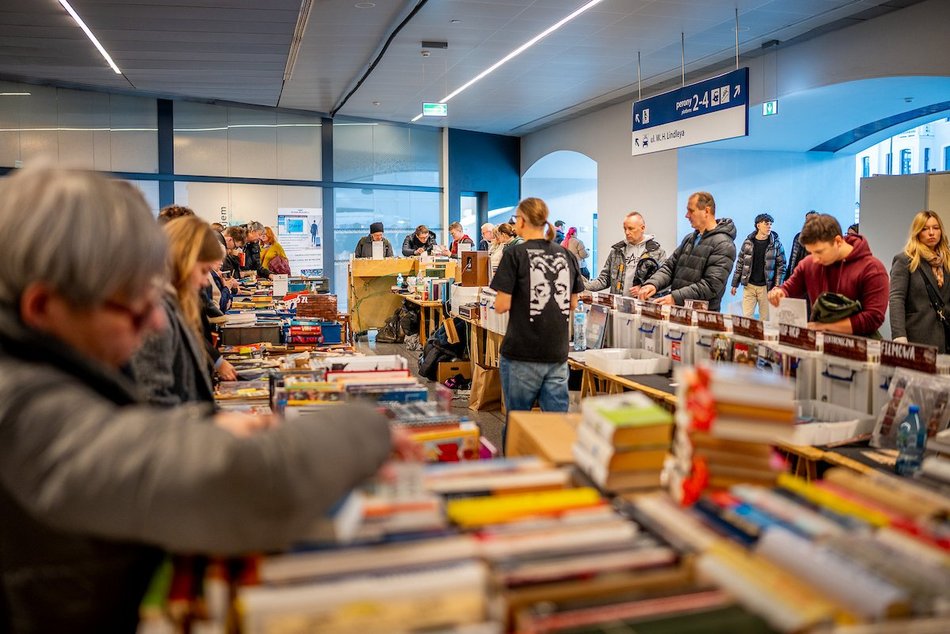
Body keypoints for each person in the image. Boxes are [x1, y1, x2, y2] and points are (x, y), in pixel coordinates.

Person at [0, 167, 413, 632]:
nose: (157, 325)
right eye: (133, 305)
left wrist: (199, 424)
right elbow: (245, 483)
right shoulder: (17, 409)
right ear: (42, 307)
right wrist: (369, 424)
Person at [490, 198, 584, 447]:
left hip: (522, 353)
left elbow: (501, 305)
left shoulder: (515, 253)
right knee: (556, 427)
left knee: (518, 425)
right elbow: (573, 304)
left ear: (521, 221)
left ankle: (514, 479)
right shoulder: (566, 254)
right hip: (557, 353)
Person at [129, 216, 233, 404]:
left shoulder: (175, 303)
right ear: (184, 260)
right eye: (203, 271)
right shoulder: (157, 314)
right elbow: (155, 400)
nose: (205, 281)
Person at [768, 214, 888, 336]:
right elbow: (789, 289)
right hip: (820, 347)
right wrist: (778, 293)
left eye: (819, 252)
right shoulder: (808, 264)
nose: (814, 259)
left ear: (838, 241)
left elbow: (873, 318)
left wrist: (824, 327)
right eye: (811, 252)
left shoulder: (872, 269)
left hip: (858, 349)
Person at [639, 192, 736, 311]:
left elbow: (711, 285)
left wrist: (675, 298)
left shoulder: (724, 244)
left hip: (701, 318)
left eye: (691, 211)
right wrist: (652, 284)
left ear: (706, 211)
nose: (686, 215)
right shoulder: (689, 239)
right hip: (679, 312)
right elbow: (669, 267)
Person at [889, 210, 950, 352]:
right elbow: (896, 299)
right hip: (917, 338)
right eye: (925, 228)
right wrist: (899, 336)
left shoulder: (946, 261)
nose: (931, 233)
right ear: (917, 232)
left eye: (936, 228)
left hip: (945, 339)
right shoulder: (905, 260)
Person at [586, 212, 665, 296]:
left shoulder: (657, 252)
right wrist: (583, 286)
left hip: (643, 305)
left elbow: (663, 282)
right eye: (625, 229)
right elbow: (604, 279)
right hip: (617, 305)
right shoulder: (617, 251)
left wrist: (643, 288)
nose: (627, 232)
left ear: (642, 228)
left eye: (631, 228)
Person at [730, 213, 787, 319]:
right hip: (749, 286)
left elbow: (782, 265)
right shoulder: (748, 243)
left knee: (765, 319)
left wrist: (778, 285)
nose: (769, 226)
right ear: (758, 225)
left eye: (770, 224)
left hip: (766, 288)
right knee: (746, 318)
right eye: (766, 224)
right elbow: (740, 263)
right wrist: (734, 284)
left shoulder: (776, 245)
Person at [784, 210, 819, 283]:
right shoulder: (798, 237)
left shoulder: (823, 239)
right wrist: (788, 277)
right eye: (807, 220)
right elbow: (792, 259)